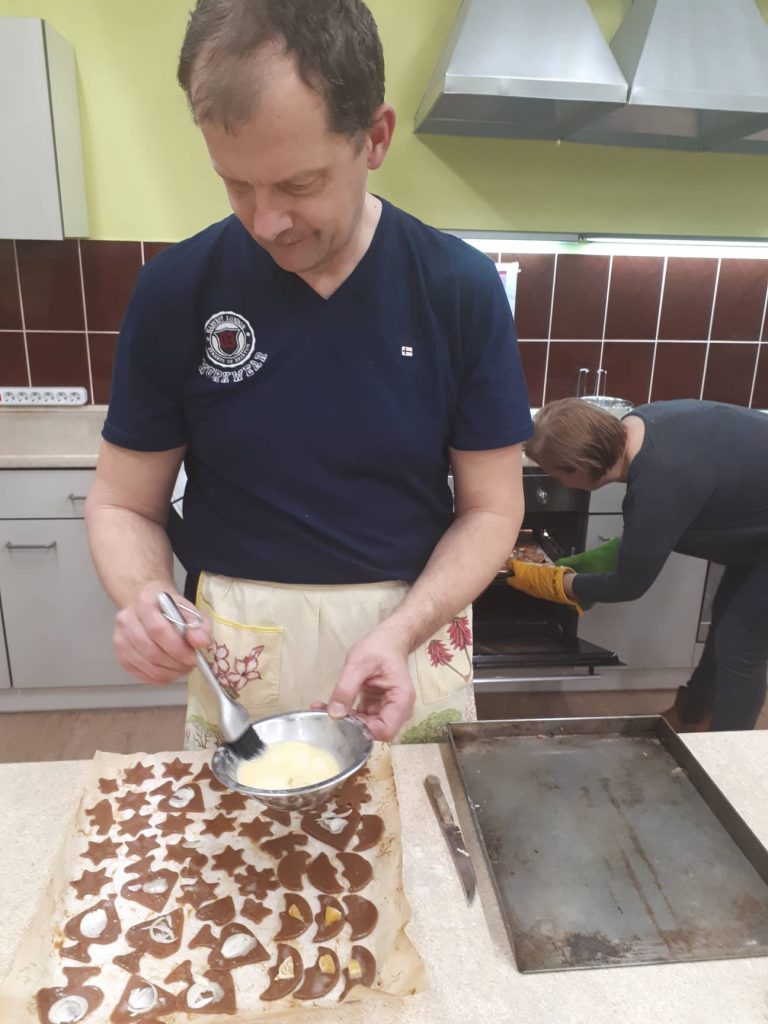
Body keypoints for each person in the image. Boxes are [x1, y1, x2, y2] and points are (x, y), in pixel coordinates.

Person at [85, 0, 531, 748]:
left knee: (418, 824)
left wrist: (402, 630)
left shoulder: (457, 286)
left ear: (374, 137)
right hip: (237, 649)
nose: (266, 222)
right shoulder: (175, 291)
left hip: (410, 636)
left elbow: (491, 508)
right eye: (236, 184)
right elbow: (123, 502)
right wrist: (147, 598)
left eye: (298, 185)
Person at [507, 398, 768, 732]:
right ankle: (693, 717)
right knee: (726, 617)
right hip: (758, 527)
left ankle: (725, 755)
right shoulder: (637, 427)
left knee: (740, 642)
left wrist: (553, 582)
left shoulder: (659, 482)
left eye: (556, 475)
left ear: (580, 467)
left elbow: (627, 585)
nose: (558, 483)